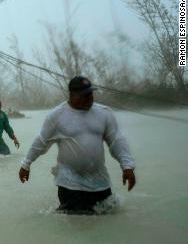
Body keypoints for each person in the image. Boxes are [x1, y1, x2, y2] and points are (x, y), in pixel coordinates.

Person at [19, 76, 136, 214]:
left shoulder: (104, 113)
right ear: (72, 95)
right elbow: (41, 142)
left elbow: (117, 141)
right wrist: (26, 164)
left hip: (100, 182)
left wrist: (127, 166)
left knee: (107, 221)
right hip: (70, 184)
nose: (90, 98)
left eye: (91, 94)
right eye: (85, 95)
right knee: (75, 225)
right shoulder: (56, 116)